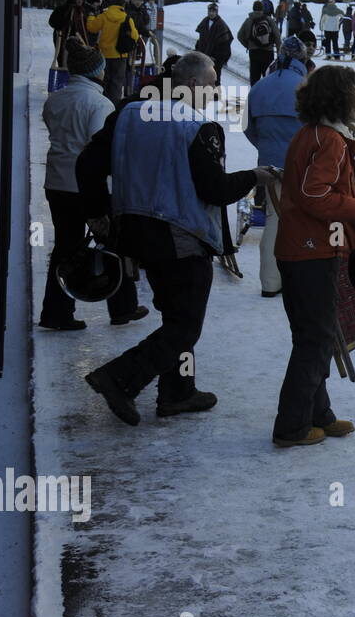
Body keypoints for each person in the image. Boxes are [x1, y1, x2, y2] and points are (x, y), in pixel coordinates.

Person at [76, 51, 278, 425]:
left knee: (175, 315)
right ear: (194, 85)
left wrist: (97, 212)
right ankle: (120, 378)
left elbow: (87, 164)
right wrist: (255, 177)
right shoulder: (197, 127)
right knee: (185, 325)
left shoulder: (128, 114)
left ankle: (178, 392)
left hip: (134, 230)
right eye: (214, 83)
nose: (217, 91)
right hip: (180, 234)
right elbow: (215, 190)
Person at [272, 65, 355, 447]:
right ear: (343, 99)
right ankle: (291, 426)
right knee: (316, 339)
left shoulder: (312, 133)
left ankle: (318, 413)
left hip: (302, 248)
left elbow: (318, 188)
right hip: (313, 250)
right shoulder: (330, 140)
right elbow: (314, 195)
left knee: (313, 335)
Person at [38, 39, 146, 330]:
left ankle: (56, 312)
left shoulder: (55, 99)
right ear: (95, 72)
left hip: (56, 183)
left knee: (65, 247)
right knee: (114, 242)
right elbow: (99, 148)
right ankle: (123, 307)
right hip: (86, 186)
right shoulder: (99, 103)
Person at [244, 36, 310, 298]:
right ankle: (299, 277)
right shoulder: (305, 87)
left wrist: (266, 149)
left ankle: (270, 282)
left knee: (274, 218)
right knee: (304, 220)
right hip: (302, 165)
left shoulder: (260, 86)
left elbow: (249, 127)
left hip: (270, 165)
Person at [85, 0, 140, 103]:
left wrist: (90, 17)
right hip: (120, 56)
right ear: (123, 5)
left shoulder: (104, 16)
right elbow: (135, 36)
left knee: (103, 81)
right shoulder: (127, 18)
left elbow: (92, 28)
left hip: (103, 55)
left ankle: (102, 105)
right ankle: (114, 107)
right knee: (117, 83)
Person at [237, 0, 277, 85]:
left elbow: (239, 35)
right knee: (269, 79)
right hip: (268, 52)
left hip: (254, 52)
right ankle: (268, 97)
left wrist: (248, 45)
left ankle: (255, 96)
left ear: (253, 8)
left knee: (254, 78)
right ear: (262, 9)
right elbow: (277, 36)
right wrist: (279, 49)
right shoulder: (269, 20)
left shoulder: (248, 21)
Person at [193, 3, 233, 82]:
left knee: (215, 80)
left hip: (215, 59)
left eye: (213, 11)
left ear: (216, 12)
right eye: (210, 11)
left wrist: (215, 56)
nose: (211, 13)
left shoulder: (221, 24)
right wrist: (198, 49)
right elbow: (201, 39)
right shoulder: (205, 21)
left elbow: (225, 43)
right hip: (203, 57)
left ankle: (216, 94)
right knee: (202, 80)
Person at [48, 0, 89, 64]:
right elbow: (52, 22)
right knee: (64, 62)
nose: (80, 1)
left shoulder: (83, 12)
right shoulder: (62, 9)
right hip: (63, 41)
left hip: (79, 43)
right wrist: (64, 23)